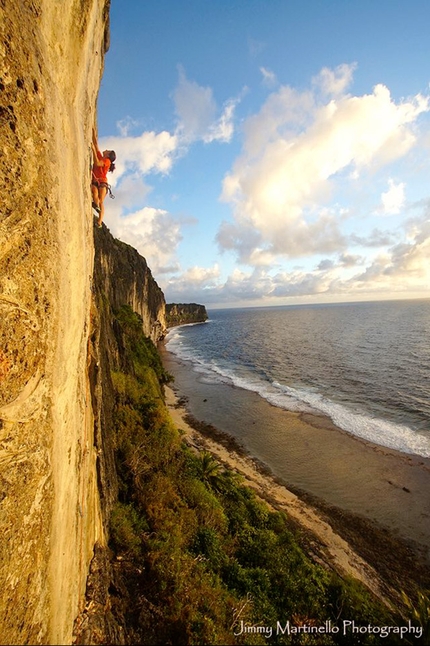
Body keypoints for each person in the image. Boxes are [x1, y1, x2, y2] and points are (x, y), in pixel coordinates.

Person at [91, 128, 116, 227]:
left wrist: (92, 150)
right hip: (96, 181)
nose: (105, 150)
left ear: (108, 155)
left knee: (101, 200)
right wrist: (93, 133)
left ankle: (100, 222)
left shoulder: (107, 161)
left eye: (108, 150)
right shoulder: (102, 157)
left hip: (102, 182)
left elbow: (97, 163)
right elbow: (96, 145)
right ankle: (96, 206)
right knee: (94, 192)